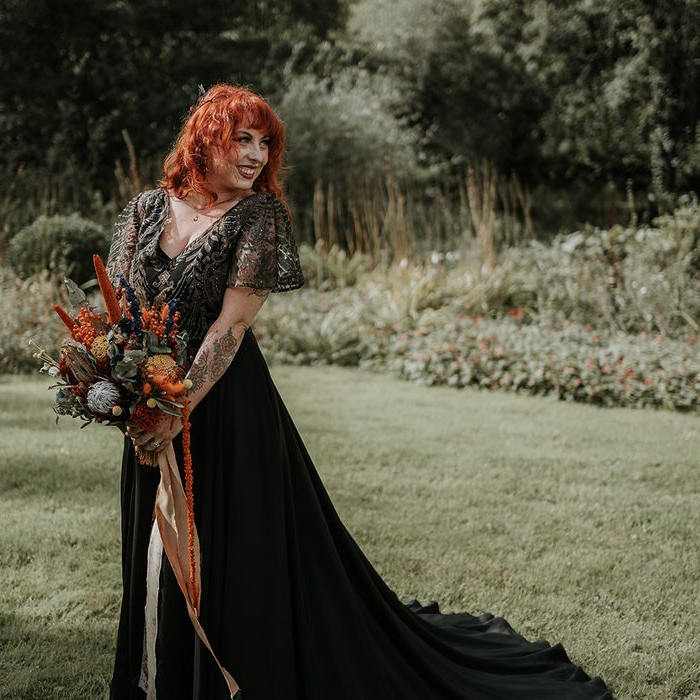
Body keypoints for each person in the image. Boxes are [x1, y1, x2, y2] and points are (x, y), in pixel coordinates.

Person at [105, 83, 613, 700]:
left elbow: (232, 325)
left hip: (224, 409)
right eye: (243, 140)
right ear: (205, 139)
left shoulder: (259, 216)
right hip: (147, 407)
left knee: (230, 557)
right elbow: (120, 312)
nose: (257, 156)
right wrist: (123, 390)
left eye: (266, 144)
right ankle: (158, 679)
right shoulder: (145, 210)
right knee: (155, 547)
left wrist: (178, 406)